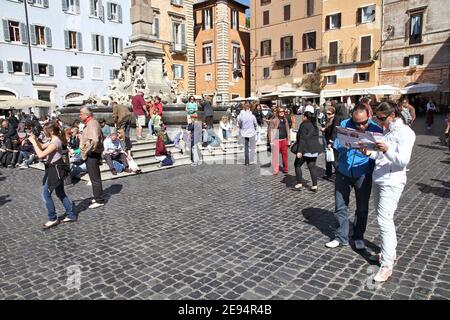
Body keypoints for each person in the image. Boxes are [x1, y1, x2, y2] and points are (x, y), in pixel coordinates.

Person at [360, 102, 415, 282]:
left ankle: (387, 264)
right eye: (377, 118)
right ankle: (387, 253)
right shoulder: (388, 131)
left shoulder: (406, 133)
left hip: (392, 181)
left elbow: (402, 161)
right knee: (382, 218)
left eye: (382, 118)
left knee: (385, 221)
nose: (380, 122)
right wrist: (370, 152)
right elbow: (380, 155)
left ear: (393, 115)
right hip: (379, 178)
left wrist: (388, 149)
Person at [325, 103, 383, 250]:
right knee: (340, 206)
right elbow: (337, 143)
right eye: (357, 123)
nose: (361, 126)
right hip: (343, 171)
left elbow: (380, 154)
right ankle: (341, 236)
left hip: (363, 173)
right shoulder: (344, 124)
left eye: (364, 122)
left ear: (369, 117)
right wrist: (341, 145)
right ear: (352, 117)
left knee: (362, 208)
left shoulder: (376, 129)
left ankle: (358, 236)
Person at [28, 122, 75, 228]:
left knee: (45, 194)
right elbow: (42, 146)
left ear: (51, 131)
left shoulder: (55, 142)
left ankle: (53, 218)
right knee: (60, 193)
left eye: (45, 131)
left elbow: (40, 154)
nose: (44, 133)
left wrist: (33, 143)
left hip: (55, 170)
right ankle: (70, 215)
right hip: (53, 169)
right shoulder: (53, 140)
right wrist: (35, 139)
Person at [79, 107, 105, 209]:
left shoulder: (92, 123)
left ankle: (99, 200)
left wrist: (86, 151)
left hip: (92, 154)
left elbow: (94, 140)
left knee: (95, 178)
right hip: (92, 154)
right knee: (94, 177)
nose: (80, 116)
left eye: (81, 114)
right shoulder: (91, 123)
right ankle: (97, 196)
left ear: (87, 115)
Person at [293, 106, 323, 192]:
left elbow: (302, 138)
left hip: (305, 149)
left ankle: (299, 183)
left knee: (297, 165)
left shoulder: (304, 125)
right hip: (314, 150)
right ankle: (315, 185)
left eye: (303, 115)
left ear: (305, 116)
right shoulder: (315, 125)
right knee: (312, 166)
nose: (302, 117)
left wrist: (299, 151)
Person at [268, 107, 291, 175]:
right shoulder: (274, 120)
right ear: (277, 112)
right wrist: (271, 141)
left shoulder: (285, 120)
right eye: (280, 111)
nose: (282, 112)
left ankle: (286, 168)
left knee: (285, 155)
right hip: (276, 139)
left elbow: (288, 130)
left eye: (283, 111)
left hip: (284, 139)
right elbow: (270, 131)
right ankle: (275, 170)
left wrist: (289, 139)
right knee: (275, 156)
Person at [323, 106, 336, 179]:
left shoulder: (334, 121)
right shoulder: (328, 120)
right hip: (326, 139)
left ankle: (337, 171)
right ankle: (328, 172)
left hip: (331, 141)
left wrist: (330, 142)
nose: (327, 115)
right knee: (328, 157)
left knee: (332, 158)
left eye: (329, 113)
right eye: (326, 114)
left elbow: (334, 132)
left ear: (334, 114)